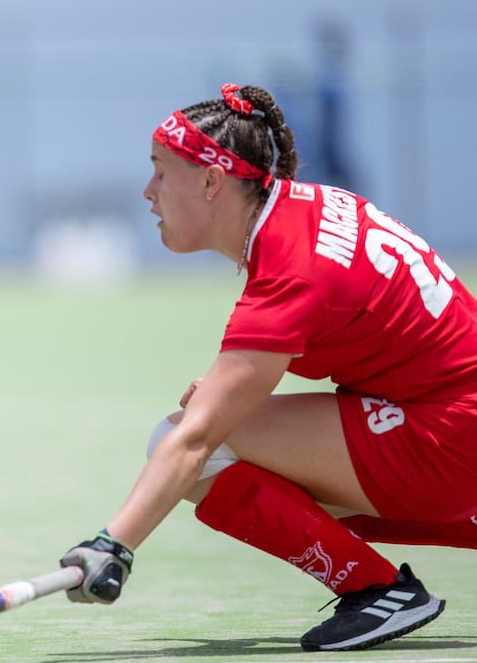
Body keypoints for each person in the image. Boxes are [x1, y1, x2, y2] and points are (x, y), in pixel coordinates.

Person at [58, 83, 476, 652]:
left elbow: (197, 440)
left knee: (182, 440)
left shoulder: (288, 273)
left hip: (446, 434)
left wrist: (114, 545)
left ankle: (379, 591)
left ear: (212, 180)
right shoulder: (307, 208)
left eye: (160, 171)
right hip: (445, 416)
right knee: (244, 451)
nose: (147, 192)